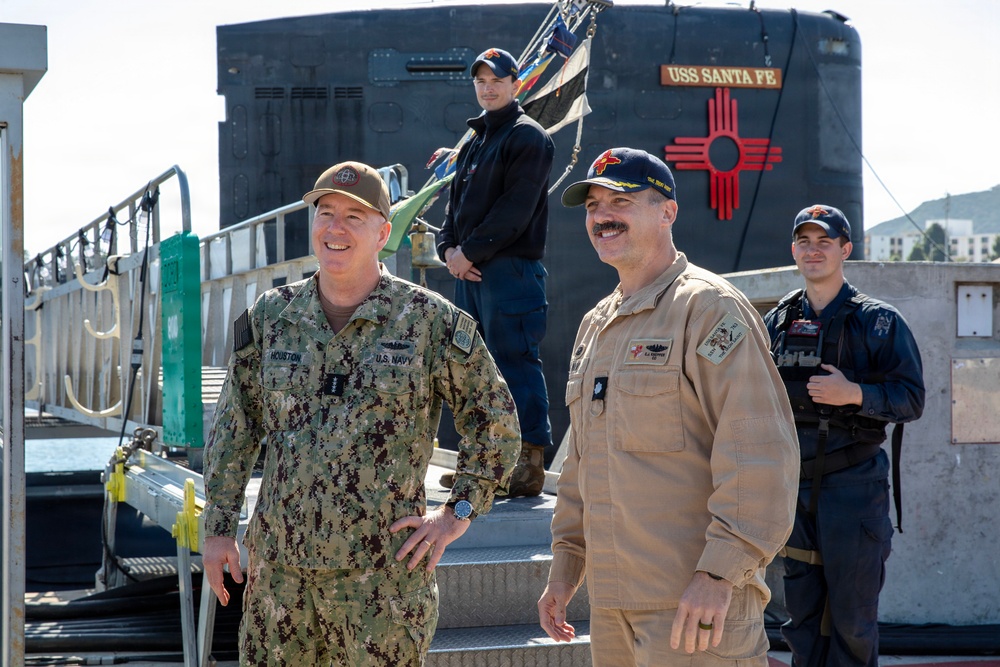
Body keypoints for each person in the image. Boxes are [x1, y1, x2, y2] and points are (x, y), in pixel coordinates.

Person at [201, 160, 521, 666]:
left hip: (382, 591)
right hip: (281, 586)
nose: (335, 228)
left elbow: (494, 423)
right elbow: (234, 430)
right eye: (326, 212)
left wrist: (456, 513)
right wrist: (218, 527)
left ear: (383, 232)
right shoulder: (271, 318)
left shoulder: (428, 320)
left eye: (355, 216)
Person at [537, 147, 800, 665]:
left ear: (667, 212)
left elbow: (759, 452)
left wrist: (720, 573)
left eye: (621, 200)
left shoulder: (707, 310)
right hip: (614, 610)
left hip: (695, 608)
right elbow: (582, 468)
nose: (602, 215)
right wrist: (565, 569)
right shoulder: (596, 326)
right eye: (592, 205)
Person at [763, 205, 925, 667]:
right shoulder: (778, 321)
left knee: (853, 621)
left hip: (854, 489)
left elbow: (911, 399)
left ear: (845, 249)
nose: (813, 250)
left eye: (825, 241)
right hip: (796, 493)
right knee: (801, 618)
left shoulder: (879, 322)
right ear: (794, 249)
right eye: (804, 242)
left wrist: (853, 393)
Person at [436, 47, 555, 497]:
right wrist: (449, 249)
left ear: (515, 84)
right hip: (470, 271)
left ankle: (526, 466)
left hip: (508, 271)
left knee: (514, 363)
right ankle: (484, 464)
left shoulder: (528, 137)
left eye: (497, 80)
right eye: (481, 81)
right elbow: (455, 207)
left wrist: (469, 252)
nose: (488, 88)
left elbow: (515, 210)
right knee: (474, 371)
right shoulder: (474, 141)